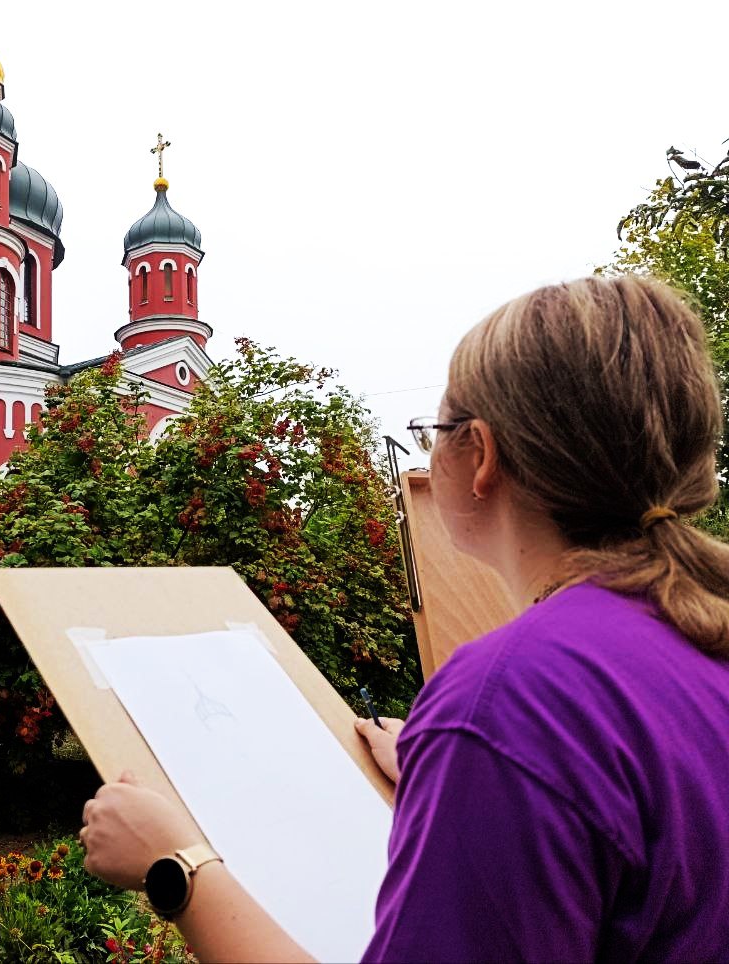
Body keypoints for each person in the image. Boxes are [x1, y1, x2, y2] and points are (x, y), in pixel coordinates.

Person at [78, 276, 729, 961]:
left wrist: (175, 865)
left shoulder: (510, 701)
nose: (425, 452)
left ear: (480, 456)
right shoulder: (694, 635)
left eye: (434, 431)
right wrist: (451, 770)